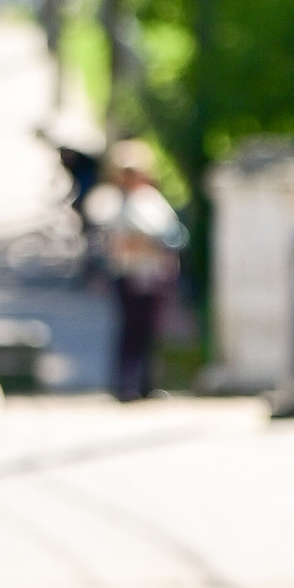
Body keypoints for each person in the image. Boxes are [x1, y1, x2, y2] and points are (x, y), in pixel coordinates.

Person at [91, 139, 187, 403]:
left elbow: (169, 236)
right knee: (130, 331)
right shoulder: (113, 203)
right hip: (130, 273)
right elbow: (115, 241)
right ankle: (125, 384)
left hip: (155, 274)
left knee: (151, 330)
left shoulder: (152, 201)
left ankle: (147, 383)